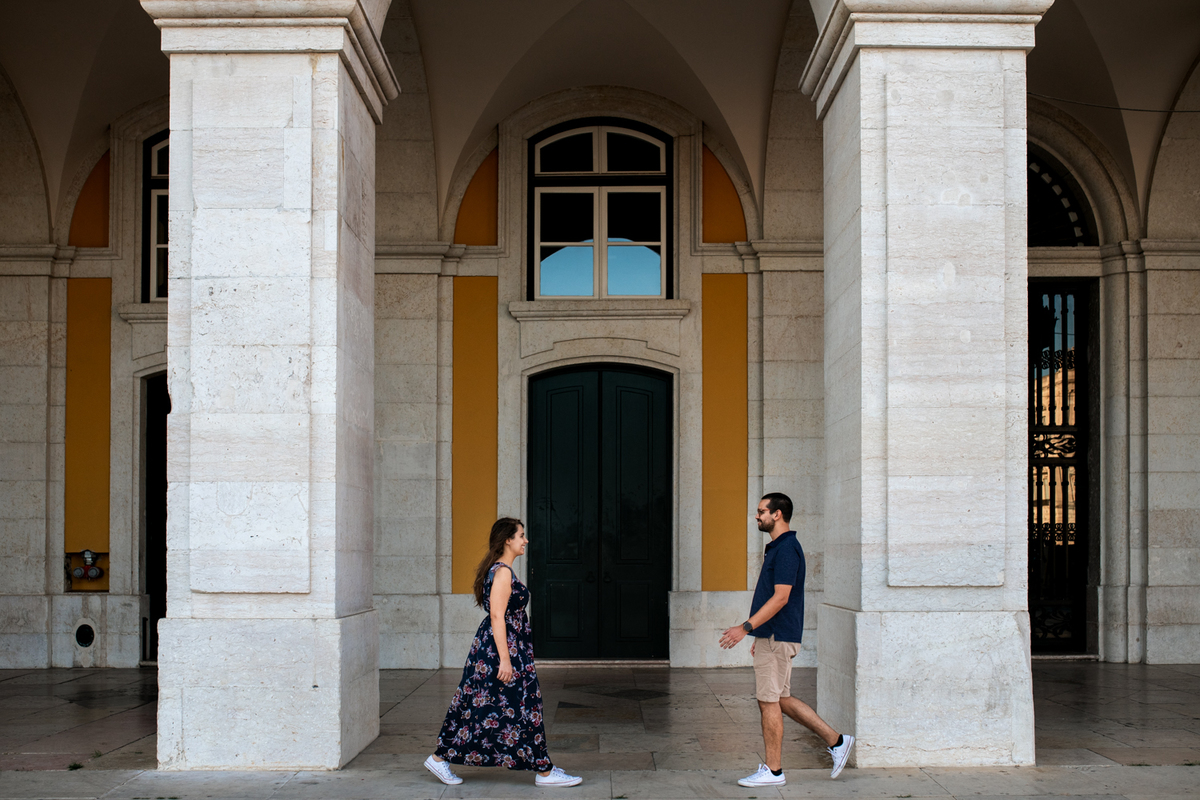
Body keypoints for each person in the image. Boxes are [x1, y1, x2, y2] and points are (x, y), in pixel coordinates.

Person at [425, 517, 582, 788]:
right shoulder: (503, 572)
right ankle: (543, 771)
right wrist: (506, 660)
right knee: (521, 705)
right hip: (500, 651)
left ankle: (442, 759)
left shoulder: (503, 570)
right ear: (508, 539)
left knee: (482, 704)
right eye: (521, 535)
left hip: (504, 648)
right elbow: (498, 616)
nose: (525, 540)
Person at [718, 493, 854, 786]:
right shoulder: (779, 547)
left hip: (778, 636)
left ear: (777, 514)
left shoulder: (787, 549)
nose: (757, 516)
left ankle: (774, 771)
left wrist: (746, 627)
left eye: (761, 511)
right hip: (774, 635)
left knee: (768, 702)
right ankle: (837, 741)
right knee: (781, 699)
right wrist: (761, 633)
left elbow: (781, 597)